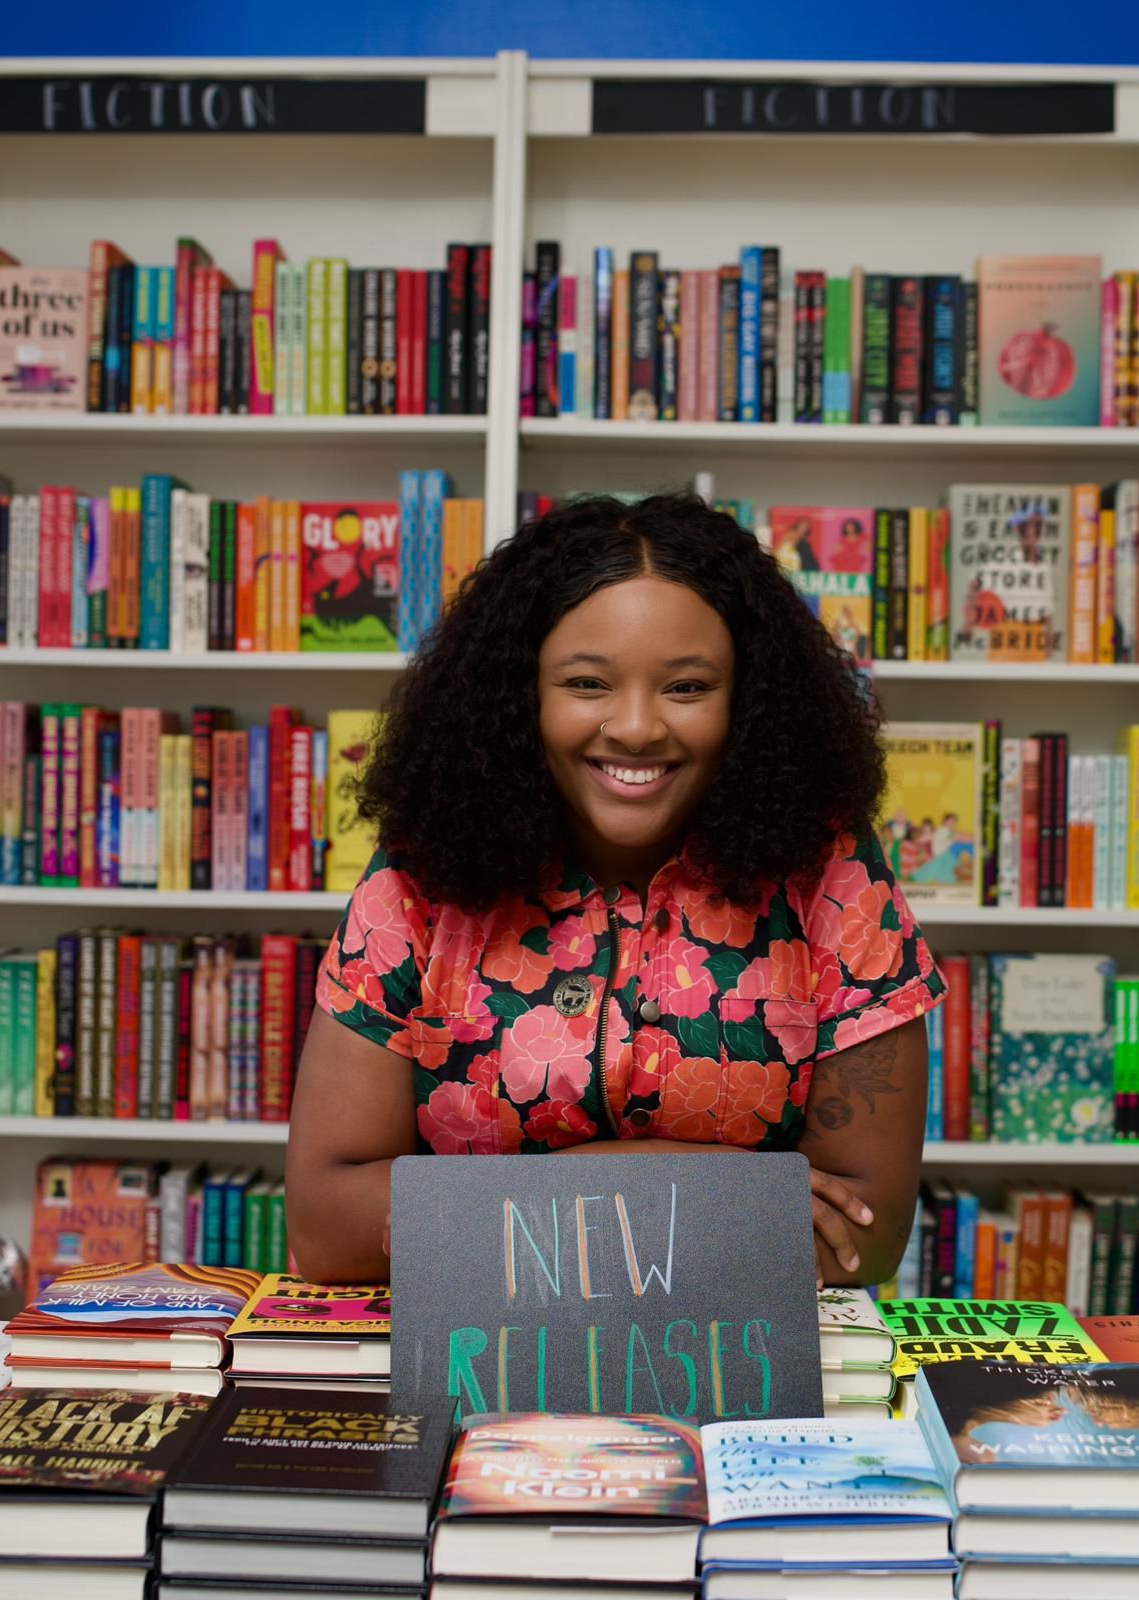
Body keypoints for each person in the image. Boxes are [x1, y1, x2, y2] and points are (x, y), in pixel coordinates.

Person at [287, 493, 945, 1287]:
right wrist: (713, 1189)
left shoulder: (830, 871)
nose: (635, 727)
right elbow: (327, 1229)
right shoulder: (421, 876)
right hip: (472, 1372)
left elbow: (859, 1238)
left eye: (688, 687)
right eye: (588, 683)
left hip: (743, 1386)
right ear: (519, 696)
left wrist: (472, 1214)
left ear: (750, 703)